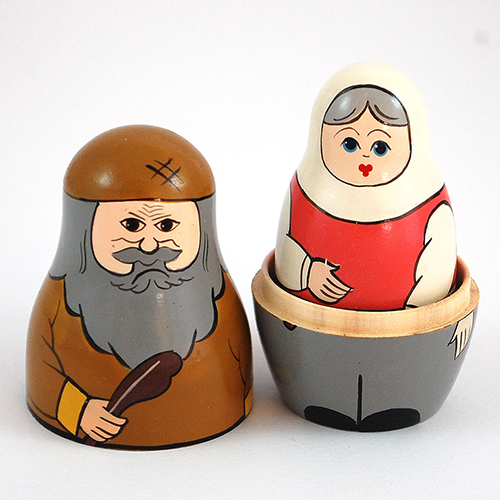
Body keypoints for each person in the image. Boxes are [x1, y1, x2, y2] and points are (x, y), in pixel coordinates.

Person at [26, 125, 253, 449]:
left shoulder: (214, 304)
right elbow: (47, 368)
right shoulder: (63, 307)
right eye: (131, 225)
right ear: (85, 228)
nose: (149, 246)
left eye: (166, 225)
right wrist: (78, 410)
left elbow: (237, 376)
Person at [275, 64, 456, 311]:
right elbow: (288, 248)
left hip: (408, 331)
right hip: (306, 326)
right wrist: (307, 271)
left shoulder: (431, 207)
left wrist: (413, 318)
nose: (365, 159)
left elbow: (436, 269)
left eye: (380, 147)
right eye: (349, 143)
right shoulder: (304, 193)